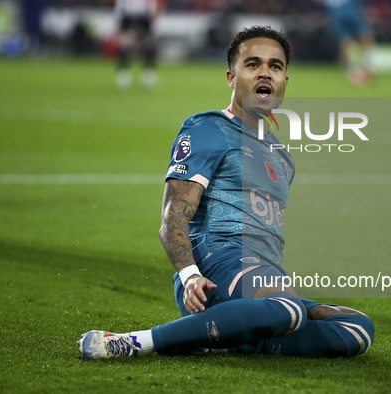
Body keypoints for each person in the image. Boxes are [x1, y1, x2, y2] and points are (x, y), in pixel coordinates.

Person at [78, 26, 374, 359]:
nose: (265, 72)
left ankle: (223, 335)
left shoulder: (282, 157)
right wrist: (190, 276)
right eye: (253, 64)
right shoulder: (210, 128)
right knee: (287, 310)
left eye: (275, 66)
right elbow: (173, 214)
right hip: (214, 268)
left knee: (357, 329)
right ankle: (135, 343)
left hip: (263, 276)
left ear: (284, 82)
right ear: (232, 77)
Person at [323, 0, 375, 86]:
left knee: (347, 40)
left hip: (336, 9)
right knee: (360, 35)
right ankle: (362, 68)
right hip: (341, 7)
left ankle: (358, 69)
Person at [114, 0, 163, 89]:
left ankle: (148, 76)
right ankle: (123, 77)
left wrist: (152, 28)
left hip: (145, 20)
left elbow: (152, 12)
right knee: (125, 48)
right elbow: (119, 12)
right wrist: (120, 30)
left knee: (150, 47)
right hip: (127, 20)